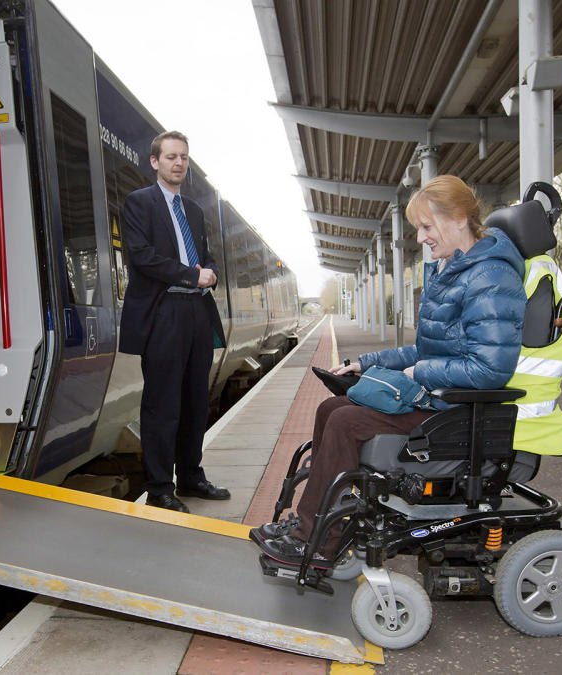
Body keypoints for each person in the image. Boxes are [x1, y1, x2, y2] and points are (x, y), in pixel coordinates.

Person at [256, 175, 528, 565]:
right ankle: (313, 520)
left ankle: (316, 541)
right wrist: (365, 363)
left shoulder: (491, 277)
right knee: (331, 407)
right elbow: (424, 349)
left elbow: (490, 370)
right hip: (437, 398)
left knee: (346, 422)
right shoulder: (450, 269)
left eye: (426, 227)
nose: (420, 238)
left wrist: (420, 374)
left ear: (459, 219)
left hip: (457, 410)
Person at [118, 131, 230, 513]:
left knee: (196, 400)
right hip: (163, 312)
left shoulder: (194, 211)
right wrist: (190, 275)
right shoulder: (139, 203)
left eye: (183, 157)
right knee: (162, 404)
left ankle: (191, 477)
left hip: (197, 312)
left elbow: (208, 256)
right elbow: (142, 257)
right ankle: (160, 487)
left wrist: (211, 272)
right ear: (155, 162)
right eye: (170, 157)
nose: (178, 163)